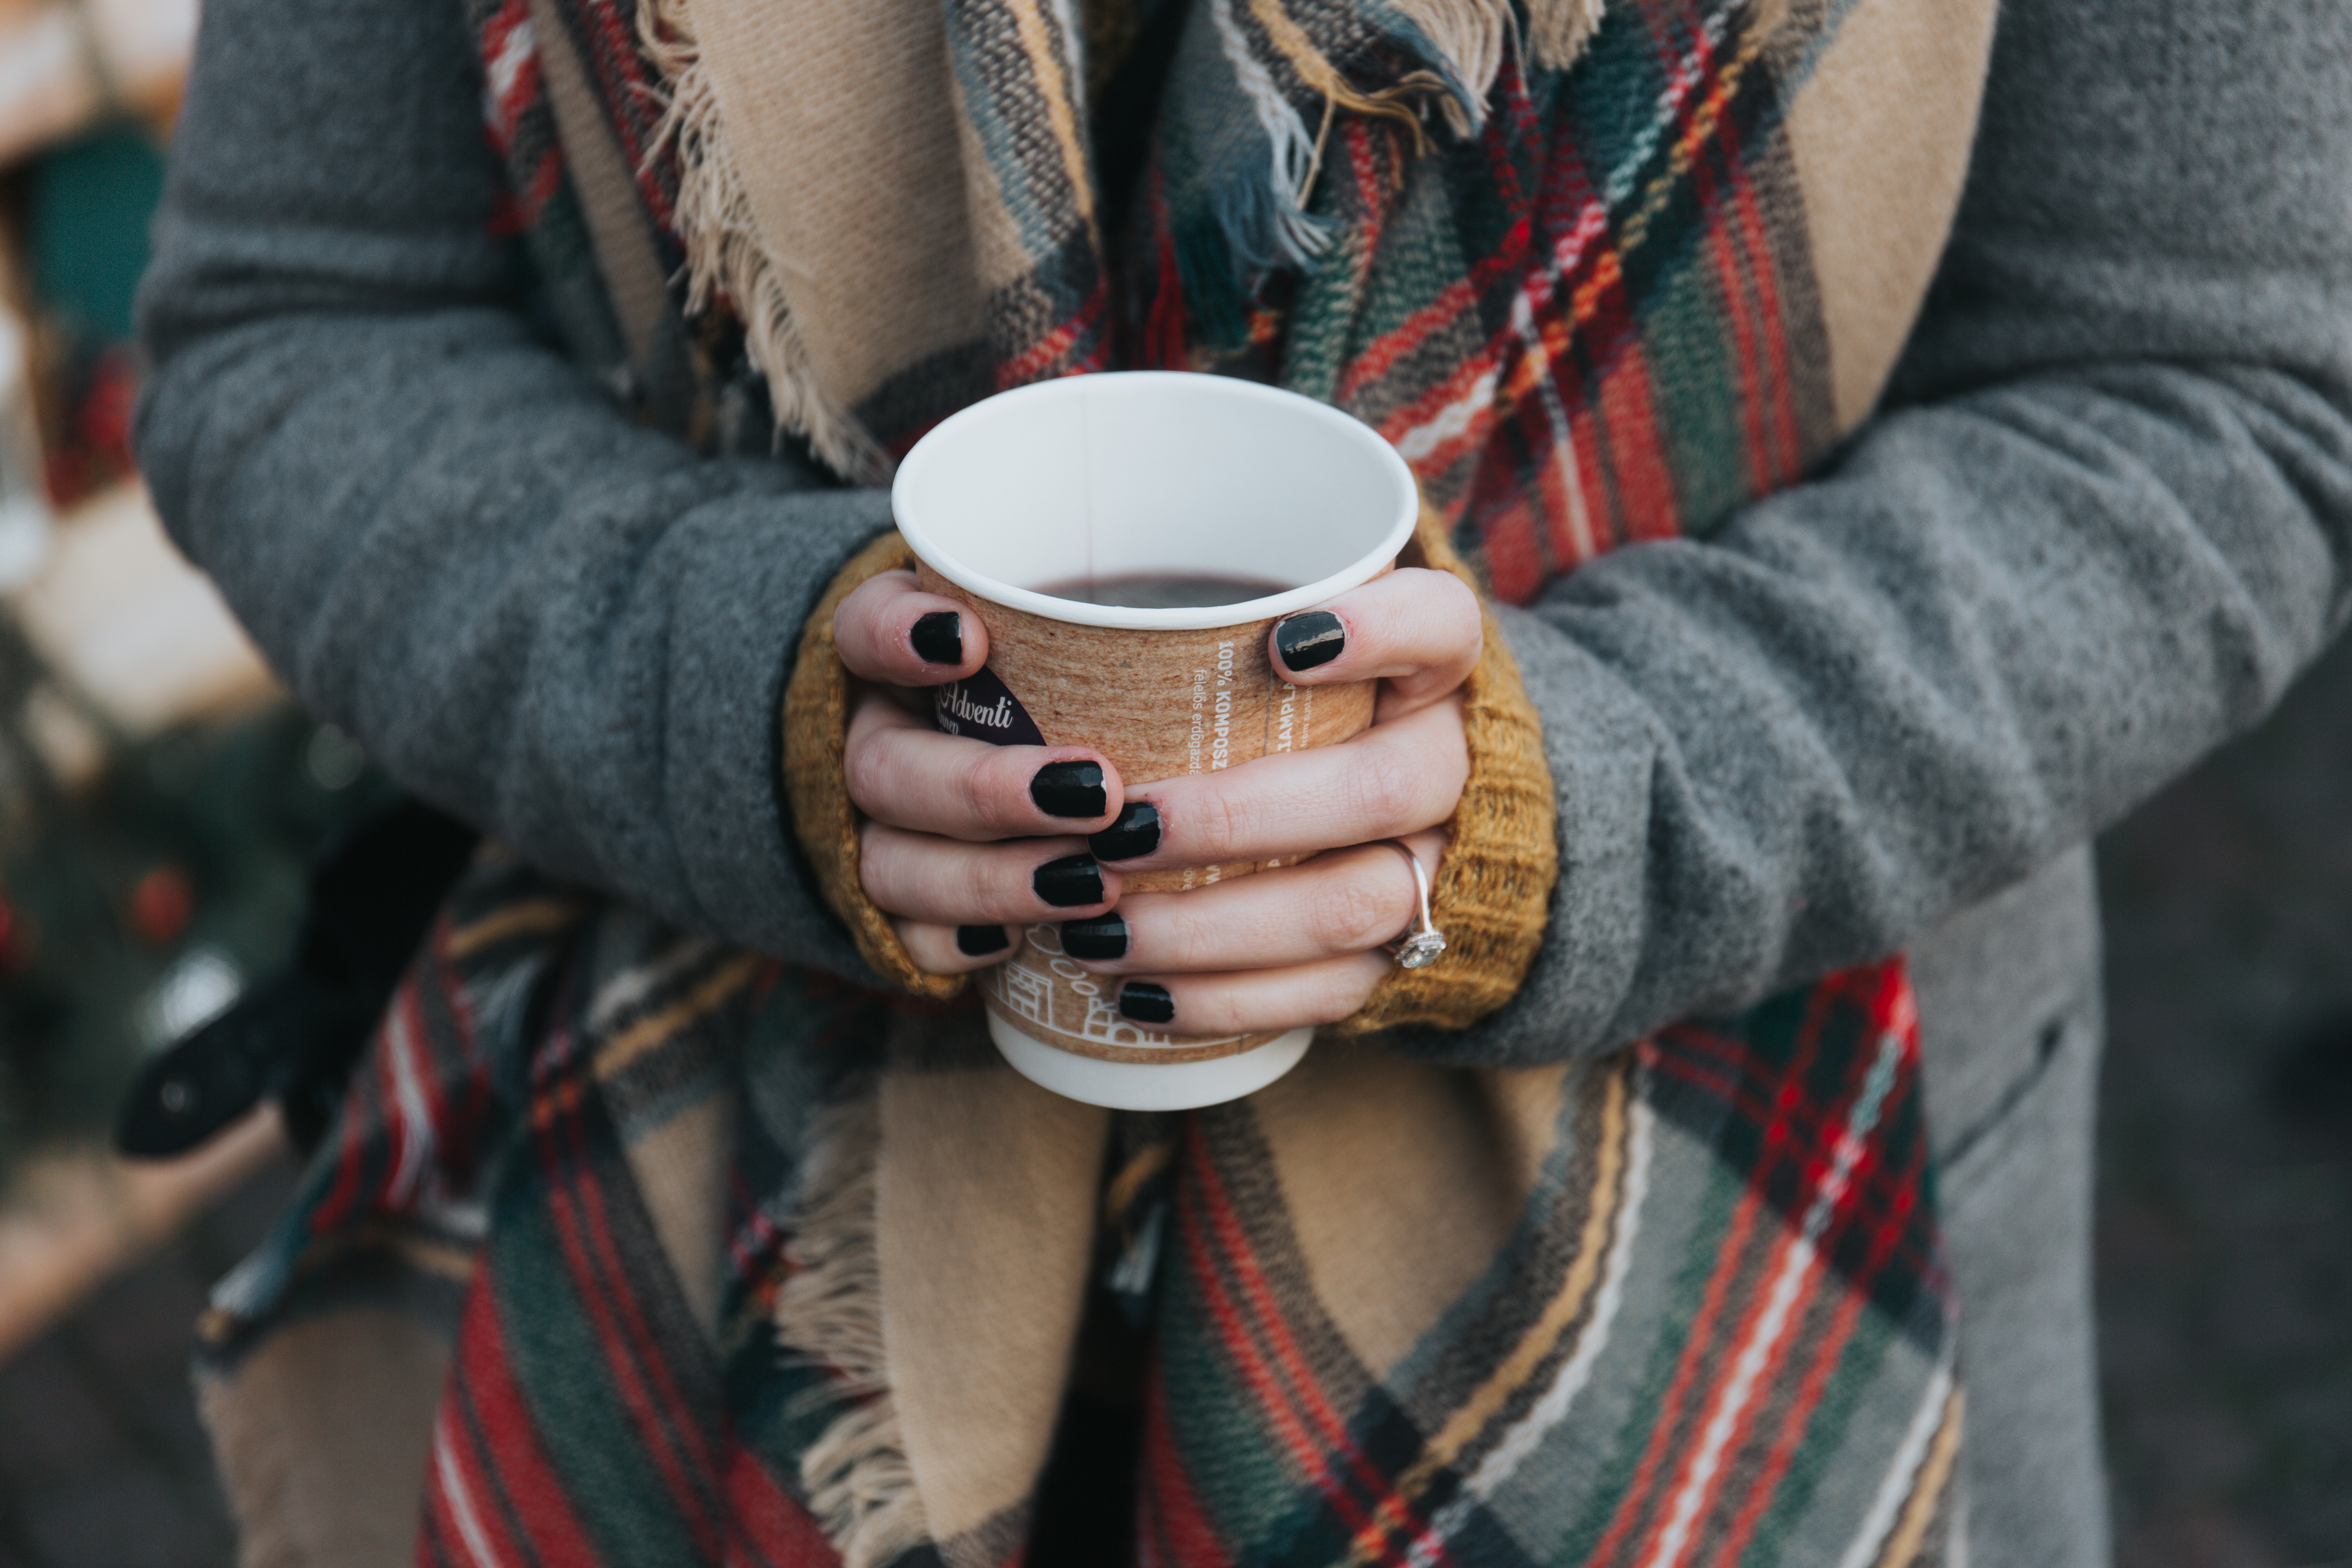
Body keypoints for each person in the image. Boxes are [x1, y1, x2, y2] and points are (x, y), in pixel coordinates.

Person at [134, 0, 2350, 1563]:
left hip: (1713, 1283)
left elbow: (2210, 396)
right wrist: (756, 708)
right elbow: (305, 320)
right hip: (739, 1288)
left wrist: (1574, 809)